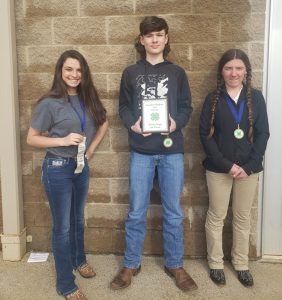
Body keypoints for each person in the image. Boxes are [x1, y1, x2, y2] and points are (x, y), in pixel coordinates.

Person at [110, 16, 198, 292]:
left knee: (173, 212)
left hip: (172, 152)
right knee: (137, 211)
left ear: (166, 38)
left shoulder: (177, 73)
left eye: (160, 34)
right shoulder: (131, 73)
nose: (155, 40)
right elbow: (123, 106)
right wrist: (132, 123)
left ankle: (175, 263)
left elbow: (186, 107)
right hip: (142, 151)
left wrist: (176, 123)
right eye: (149, 36)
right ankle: (131, 263)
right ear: (142, 40)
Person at [27, 50, 108, 300]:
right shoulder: (49, 102)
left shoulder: (88, 98)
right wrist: (61, 139)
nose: (74, 75)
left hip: (81, 167)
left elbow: (103, 122)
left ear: (84, 74)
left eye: (79, 70)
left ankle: (79, 259)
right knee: (62, 227)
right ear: (60, 72)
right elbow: (31, 138)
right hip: (58, 168)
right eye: (69, 69)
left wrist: (91, 150)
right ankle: (65, 283)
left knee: (78, 220)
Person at [199, 49, 269, 287]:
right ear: (222, 71)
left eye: (239, 68)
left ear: (246, 71)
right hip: (219, 169)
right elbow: (205, 136)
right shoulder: (213, 98)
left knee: (242, 217)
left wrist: (248, 167)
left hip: (248, 171)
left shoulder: (256, 98)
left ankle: (241, 263)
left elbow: (262, 134)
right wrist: (227, 165)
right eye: (229, 68)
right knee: (216, 215)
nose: (234, 73)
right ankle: (216, 262)